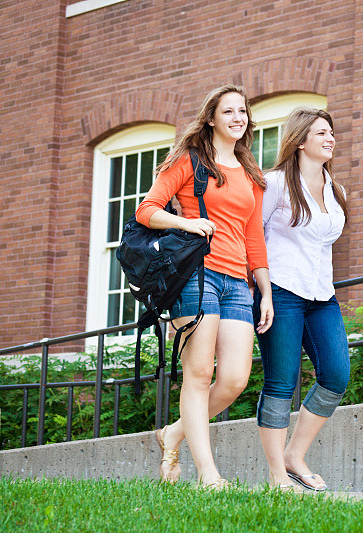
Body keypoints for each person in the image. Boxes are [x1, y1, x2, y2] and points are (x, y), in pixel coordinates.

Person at [135, 84, 273, 490]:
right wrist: (186, 222)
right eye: (227, 111)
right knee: (197, 375)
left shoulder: (251, 175)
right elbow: (147, 210)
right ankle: (208, 475)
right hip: (196, 276)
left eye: (242, 111)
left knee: (234, 379)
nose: (237, 117)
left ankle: (173, 434)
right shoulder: (188, 161)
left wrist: (264, 291)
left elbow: (254, 239)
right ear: (211, 118)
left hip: (236, 282)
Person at [253, 108, 350, 492]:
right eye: (321, 133)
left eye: (331, 132)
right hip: (279, 291)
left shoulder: (335, 189)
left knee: (336, 374)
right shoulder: (274, 183)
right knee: (280, 381)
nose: (330, 139)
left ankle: (295, 455)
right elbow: (252, 237)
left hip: (322, 294)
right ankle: (278, 476)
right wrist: (261, 293)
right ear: (299, 141)